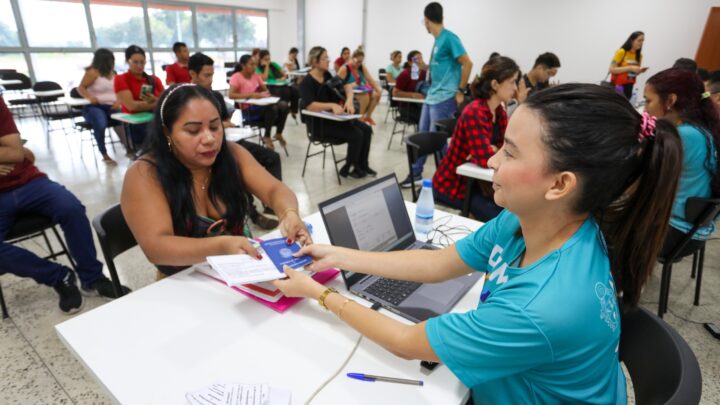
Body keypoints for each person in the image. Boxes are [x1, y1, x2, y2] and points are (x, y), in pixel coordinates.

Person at [271, 83, 683, 404]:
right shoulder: (536, 220)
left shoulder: (540, 307)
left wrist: (320, 295)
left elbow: (405, 343)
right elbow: (440, 263)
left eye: (510, 152)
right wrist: (337, 254)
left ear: (560, 184)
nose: (491, 161)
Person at [121, 84, 311, 280]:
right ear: (167, 132)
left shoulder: (231, 154)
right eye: (194, 131)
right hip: (184, 282)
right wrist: (221, 246)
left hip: (242, 270)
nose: (210, 138)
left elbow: (274, 189)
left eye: (214, 126)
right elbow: (157, 247)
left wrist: (289, 213)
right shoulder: (145, 173)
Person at [0, 96, 131, 313]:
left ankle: (92, 277)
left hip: (28, 182)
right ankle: (59, 277)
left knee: (71, 209)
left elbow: (15, 152)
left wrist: (13, 152)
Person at [189, 52, 280, 231]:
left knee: (272, 158)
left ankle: (270, 202)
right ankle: (252, 213)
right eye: (206, 75)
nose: (211, 79)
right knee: (234, 169)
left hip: (231, 142)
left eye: (212, 74)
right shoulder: (186, 99)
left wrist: (226, 123)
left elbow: (226, 115)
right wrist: (218, 125)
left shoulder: (214, 95)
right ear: (193, 74)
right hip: (209, 150)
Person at [643, 68, 720, 255]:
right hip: (693, 230)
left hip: (675, 234)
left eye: (648, 101)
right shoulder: (704, 128)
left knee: (598, 223)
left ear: (670, 101)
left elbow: (644, 175)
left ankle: (614, 280)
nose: (645, 108)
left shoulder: (685, 135)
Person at [433, 56, 519, 222]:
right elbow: (484, 158)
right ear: (495, 84)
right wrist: (492, 150)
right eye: (512, 82)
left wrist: (493, 149)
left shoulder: (498, 111)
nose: (515, 88)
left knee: (513, 210)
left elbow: (505, 147)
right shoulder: (475, 112)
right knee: (504, 220)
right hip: (454, 186)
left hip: (476, 184)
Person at [400, 2, 473, 188]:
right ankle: (416, 173)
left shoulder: (449, 38)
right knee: (422, 138)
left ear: (426, 20)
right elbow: (439, 68)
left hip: (444, 98)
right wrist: (424, 65)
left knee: (438, 141)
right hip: (432, 96)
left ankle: (446, 179)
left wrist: (460, 91)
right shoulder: (438, 41)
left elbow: (467, 63)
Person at [299, 46, 374, 179]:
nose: (328, 60)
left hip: (334, 119)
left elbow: (347, 86)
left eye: (327, 57)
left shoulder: (327, 76)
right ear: (315, 62)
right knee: (356, 134)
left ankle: (362, 165)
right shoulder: (307, 83)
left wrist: (349, 100)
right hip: (319, 125)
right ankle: (349, 167)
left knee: (366, 129)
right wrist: (332, 105)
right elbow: (310, 106)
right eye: (324, 58)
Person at [228, 55, 289, 150]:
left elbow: (265, 90)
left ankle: (278, 133)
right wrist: (251, 95)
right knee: (272, 108)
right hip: (248, 110)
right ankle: (267, 136)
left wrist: (264, 93)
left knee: (284, 105)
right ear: (243, 65)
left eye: (255, 65)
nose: (254, 67)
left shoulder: (255, 76)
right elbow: (231, 95)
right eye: (251, 64)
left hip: (261, 106)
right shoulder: (236, 77)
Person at [76, 48, 126, 164]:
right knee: (100, 123)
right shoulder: (93, 73)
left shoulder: (114, 74)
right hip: (95, 107)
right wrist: (90, 97)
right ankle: (104, 153)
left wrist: (119, 101)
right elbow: (81, 88)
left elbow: (119, 91)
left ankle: (128, 147)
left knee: (123, 120)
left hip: (111, 106)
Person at [114, 45, 164, 149]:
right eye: (135, 62)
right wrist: (156, 102)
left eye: (142, 62)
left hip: (156, 121)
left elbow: (166, 100)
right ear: (128, 61)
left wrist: (154, 101)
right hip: (136, 125)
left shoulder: (154, 79)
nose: (139, 65)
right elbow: (132, 106)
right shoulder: (121, 79)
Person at [337, 47, 383, 125]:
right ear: (352, 58)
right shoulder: (344, 69)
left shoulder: (361, 67)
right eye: (357, 61)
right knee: (364, 96)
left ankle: (368, 116)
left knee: (375, 94)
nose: (358, 64)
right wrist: (351, 85)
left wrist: (378, 89)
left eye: (360, 62)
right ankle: (359, 119)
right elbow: (337, 85)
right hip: (348, 93)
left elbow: (370, 80)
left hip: (359, 90)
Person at [257, 49, 300, 118]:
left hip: (279, 84)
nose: (268, 61)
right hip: (269, 86)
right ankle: (284, 110)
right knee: (285, 91)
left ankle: (293, 110)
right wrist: (267, 66)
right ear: (261, 60)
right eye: (266, 59)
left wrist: (282, 78)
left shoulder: (274, 64)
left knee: (295, 89)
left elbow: (284, 74)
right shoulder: (257, 68)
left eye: (269, 59)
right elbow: (264, 78)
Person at [609, 31, 648, 99]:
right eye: (639, 40)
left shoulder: (639, 55)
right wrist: (631, 68)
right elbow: (612, 69)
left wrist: (639, 71)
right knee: (619, 103)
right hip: (618, 86)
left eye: (643, 41)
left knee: (626, 105)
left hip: (630, 85)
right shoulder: (621, 52)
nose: (641, 43)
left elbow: (633, 73)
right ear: (632, 40)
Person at [392, 50, 427, 123]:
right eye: (417, 59)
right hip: (406, 106)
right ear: (410, 62)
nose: (420, 61)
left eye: (421, 58)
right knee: (426, 117)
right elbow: (395, 93)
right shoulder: (405, 74)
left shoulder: (424, 73)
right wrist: (413, 95)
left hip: (420, 104)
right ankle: (421, 134)